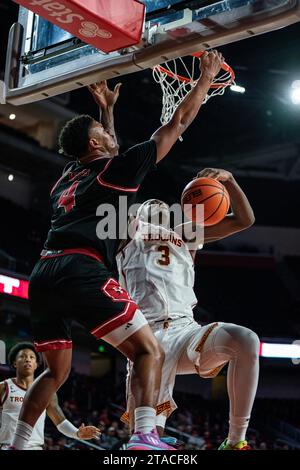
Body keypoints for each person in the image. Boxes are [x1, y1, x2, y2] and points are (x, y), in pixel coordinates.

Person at [10, 50, 224, 451]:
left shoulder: (68, 176)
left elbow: (105, 152)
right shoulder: (117, 170)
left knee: (54, 372)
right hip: (82, 269)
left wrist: (107, 112)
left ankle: (16, 445)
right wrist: (205, 79)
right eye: (106, 134)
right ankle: (144, 436)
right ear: (95, 142)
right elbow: (176, 123)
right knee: (148, 350)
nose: (113, 138)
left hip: (44, 273)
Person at [117, 168, 260, 450]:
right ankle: (151, 435)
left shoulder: (186, 235)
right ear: (135, 214)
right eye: (149, 205)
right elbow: (117, 189)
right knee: (145, 441)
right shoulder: (126, 235)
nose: (157, 207)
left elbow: (245, 220)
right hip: (146, 335)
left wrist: (229, 181)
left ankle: (235, 440)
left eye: (162, 207)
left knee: (247, 340)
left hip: (186, 331)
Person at [0, 342, 100, 449]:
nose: (27, 359)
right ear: (15, 363)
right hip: (8, 446)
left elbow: (61, 422)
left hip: (35, 447)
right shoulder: (3, 387)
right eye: (22, 356)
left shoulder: (46, 390)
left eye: (31, 357)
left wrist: (77, 433)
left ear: (36, 364)